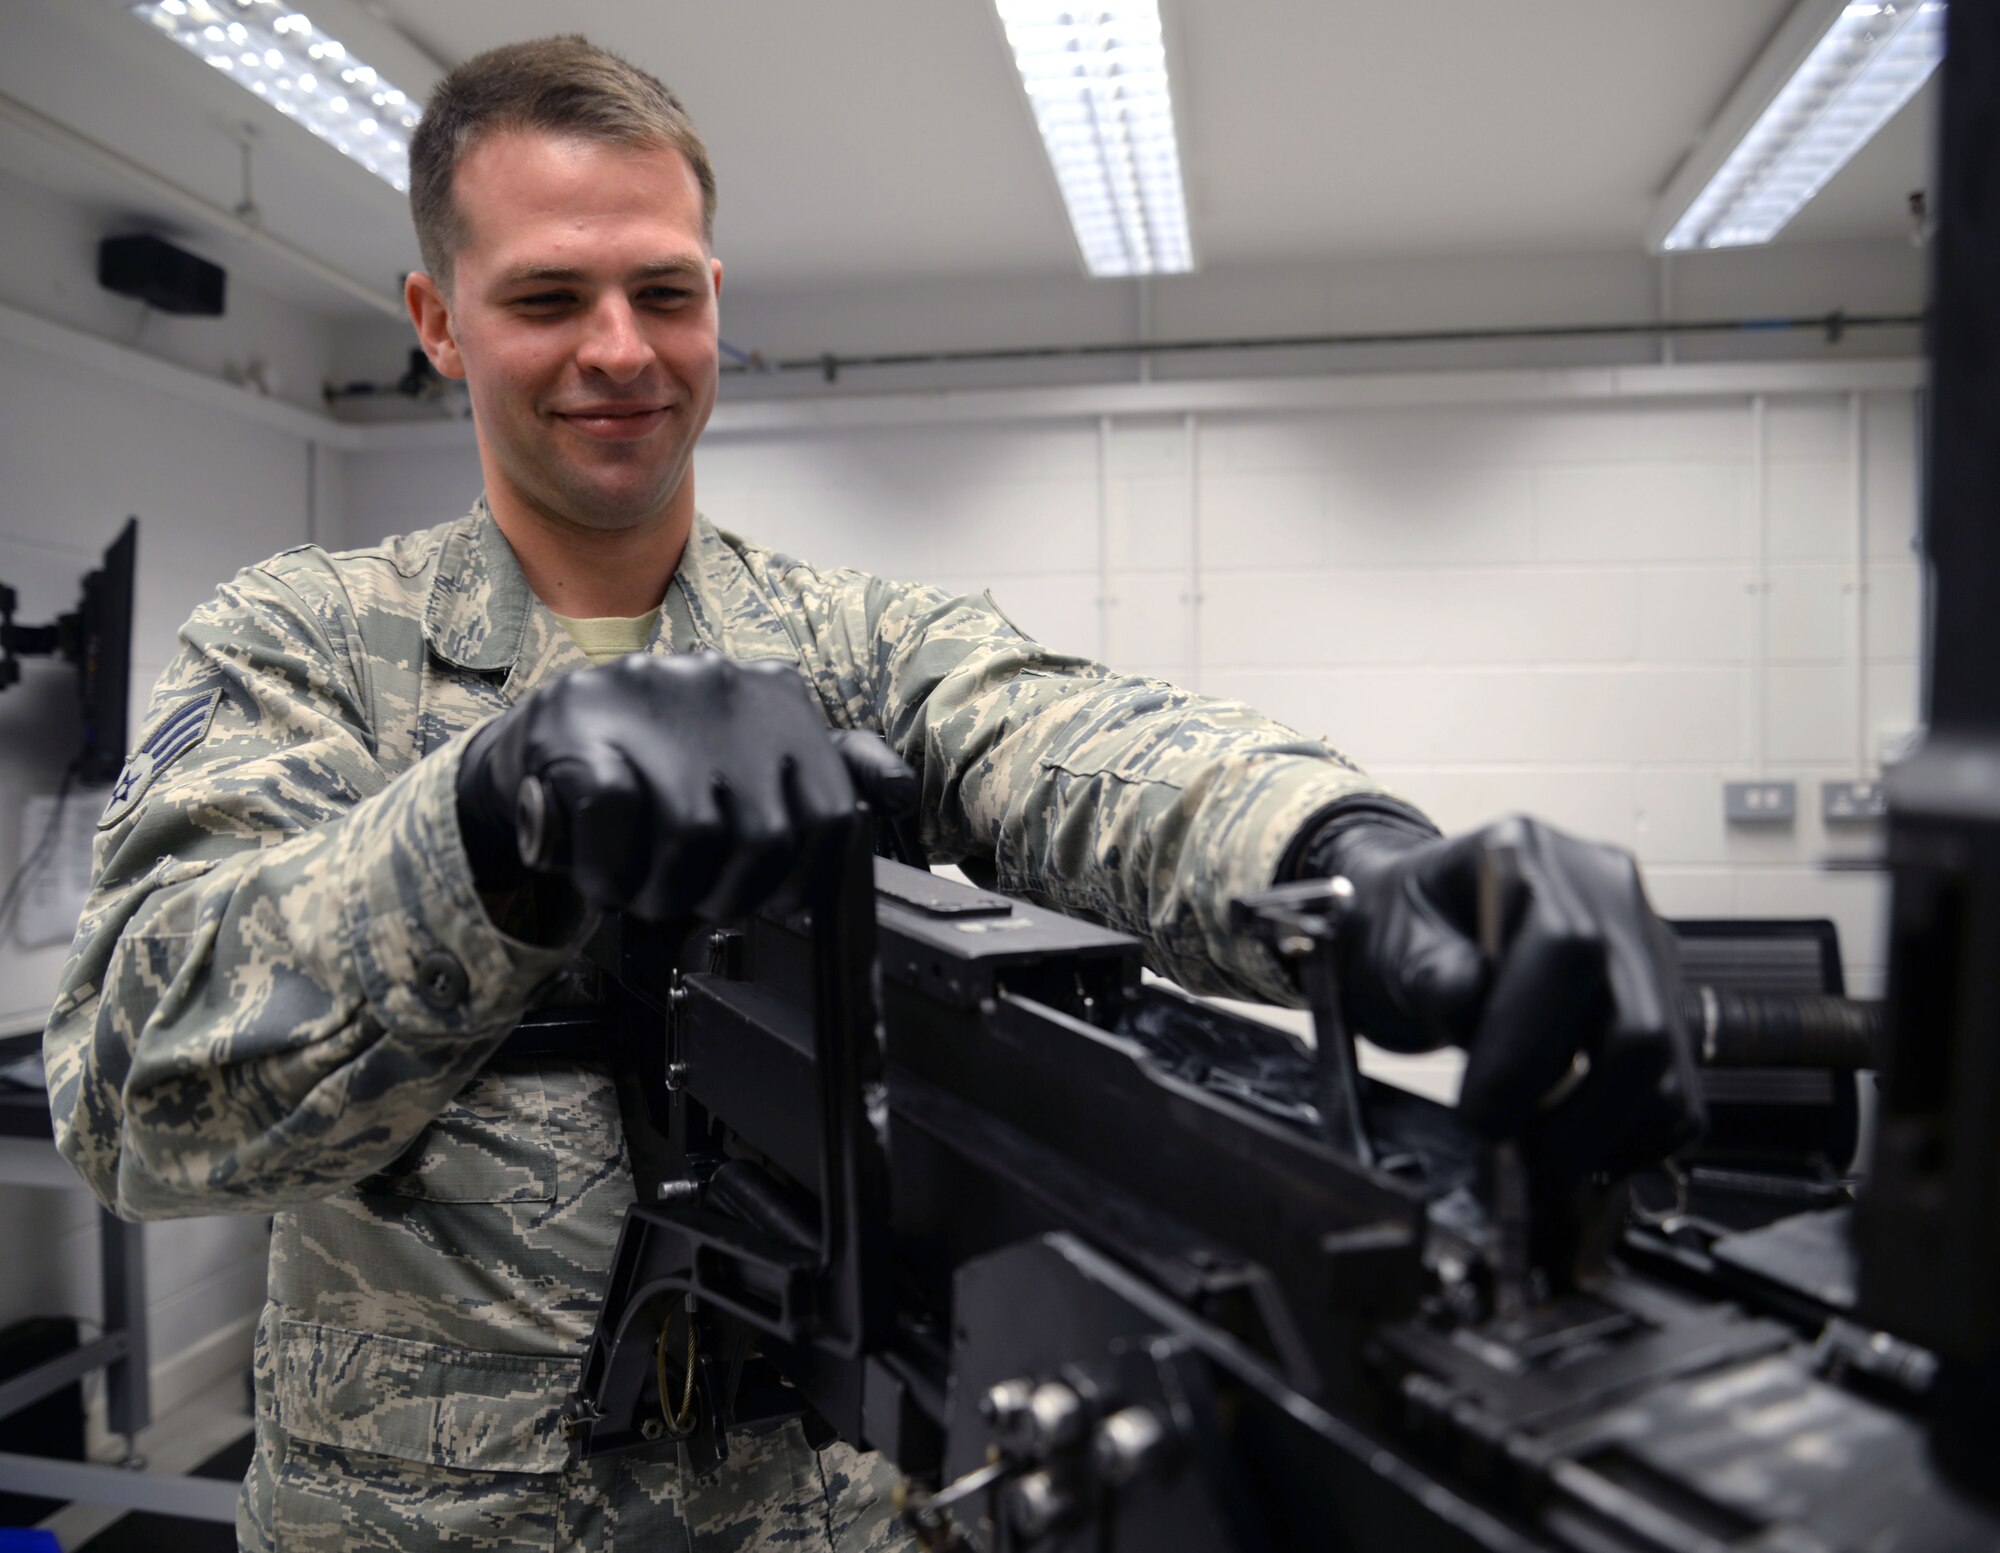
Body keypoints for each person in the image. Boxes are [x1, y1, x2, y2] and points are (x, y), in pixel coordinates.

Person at [42, 34, 1697, 1553]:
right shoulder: (307, 647)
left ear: (714, 297)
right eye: (547, 297)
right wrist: (488, 818)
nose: (618, 349)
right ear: (437, 319)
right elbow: (131, 1088)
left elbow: (1075, 741)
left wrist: (1358, 860)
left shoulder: (845, 643)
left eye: (662, 291)